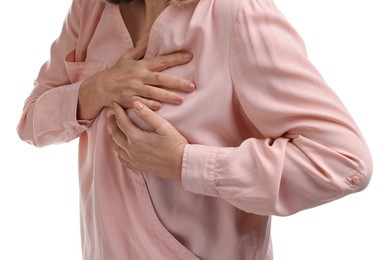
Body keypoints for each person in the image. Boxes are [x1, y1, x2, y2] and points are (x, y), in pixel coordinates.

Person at [16, 0, 373, 259]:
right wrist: (98, 89)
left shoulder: (239, 15)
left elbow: (346, 162)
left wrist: (185, 163)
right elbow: (31, 121)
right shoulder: (90, 10)